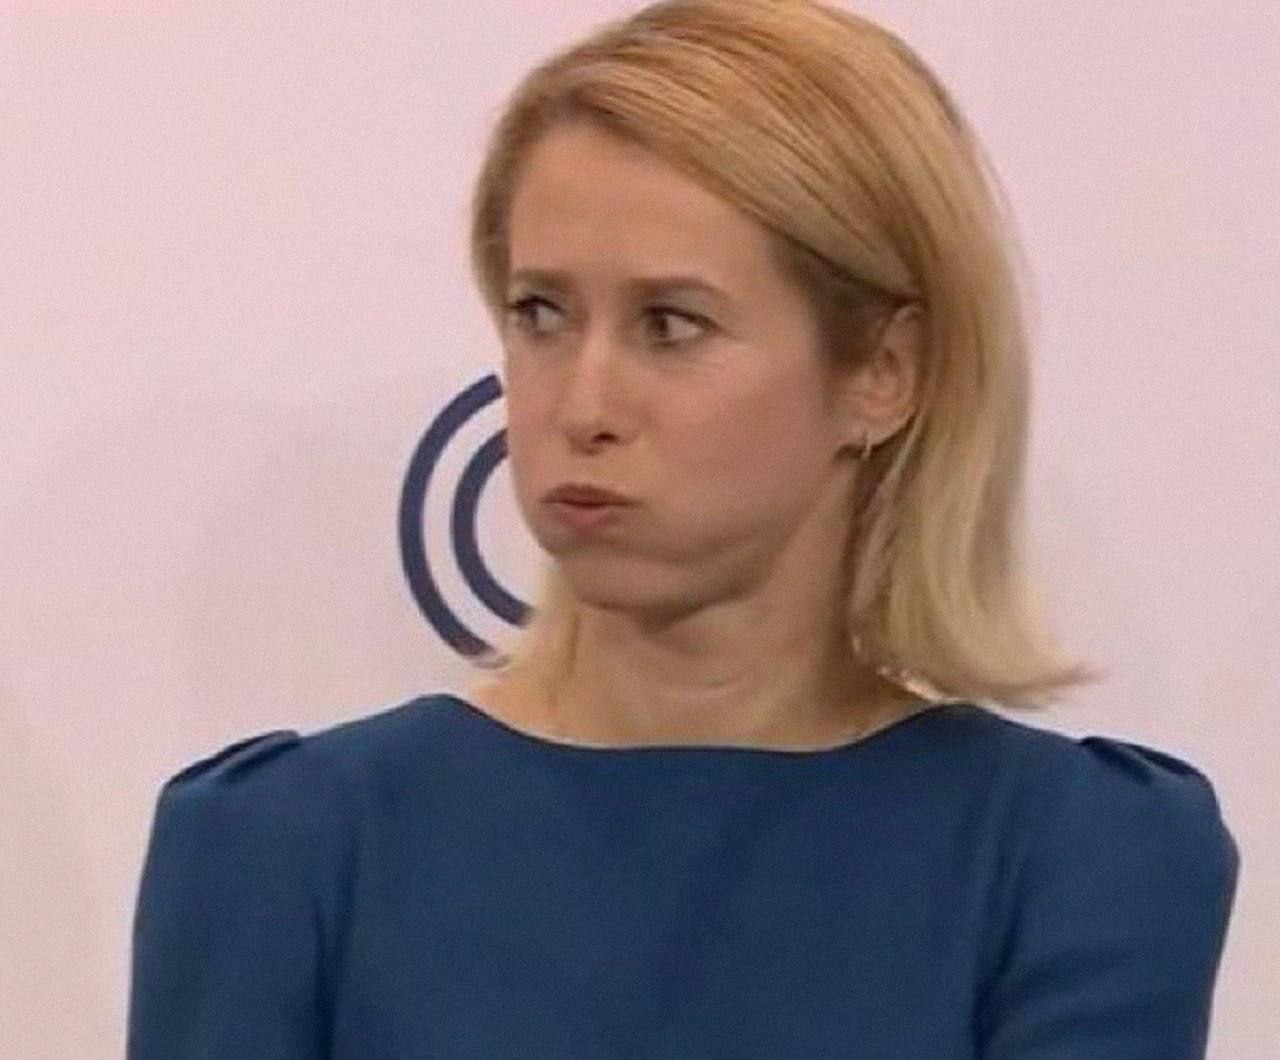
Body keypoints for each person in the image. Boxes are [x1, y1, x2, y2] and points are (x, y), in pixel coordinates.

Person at [127, 1, 1239, 1055]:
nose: (583, 405)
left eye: (670, 324)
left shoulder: (1079, 860)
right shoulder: (282, 848)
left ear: (882, 372)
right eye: (541, 313)